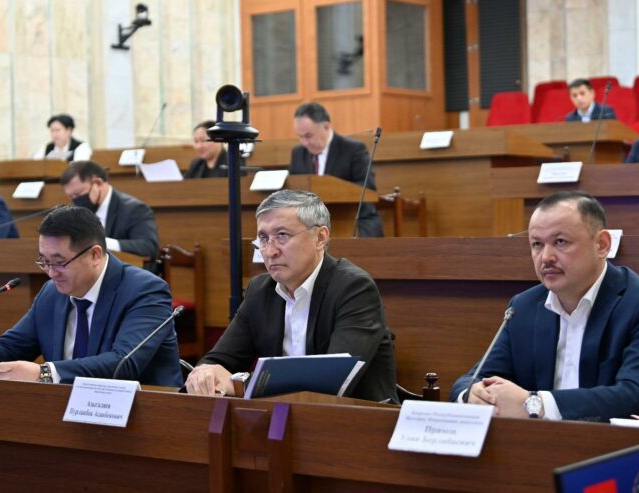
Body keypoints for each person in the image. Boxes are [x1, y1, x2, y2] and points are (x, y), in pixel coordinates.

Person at [450, 191, 639, 422]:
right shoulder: (524, 307)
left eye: (560, 242)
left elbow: (636, 395)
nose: (546, 257)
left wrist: (535, 404)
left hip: (634, 447)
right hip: (542, 444)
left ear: (602, 245)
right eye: (537, 244)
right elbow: (473, 379)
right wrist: (472, 395)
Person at [0, 206, 182, 387]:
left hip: (144, 414)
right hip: (65, 413)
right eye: (44, 261)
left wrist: (45, 373)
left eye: (59, 262)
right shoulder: (52, 291)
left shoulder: (145, 290)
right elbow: (12, 345)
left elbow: (123, 363)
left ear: (95, 255)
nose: (50, 273)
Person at [185, 190, 398, 403]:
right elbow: (220, 360)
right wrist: (206, 374)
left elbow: (331, 380)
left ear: (320, 238)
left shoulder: (354, 288)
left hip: (356, 417)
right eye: (263, 238)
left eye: (282, 236)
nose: (270, 251)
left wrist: (239, 384)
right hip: (285, 416)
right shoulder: (260, 290)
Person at [288, 103, 384, 237]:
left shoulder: (353, 149)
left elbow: (367, 188)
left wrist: (329, 191)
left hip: (353, 220)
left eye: (308, 136)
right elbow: (292, 190)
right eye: (300, 136)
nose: (304, 142)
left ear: (326, 127)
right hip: (310, 226)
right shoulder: (298, 153)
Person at [60, 160, 159, 271]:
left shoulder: (134, 209)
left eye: (78, 193)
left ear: (98, 183)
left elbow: (148, 247)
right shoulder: (78, 212)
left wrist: (101, 242)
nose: (76, 200)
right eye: (71, 196)